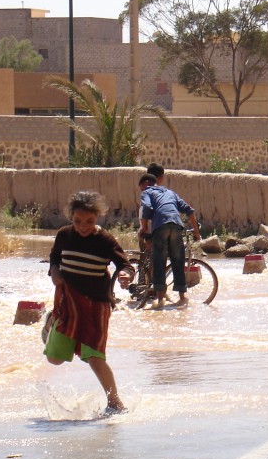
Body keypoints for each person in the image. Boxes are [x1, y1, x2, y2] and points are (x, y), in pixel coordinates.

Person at [45, 190, 134, 414]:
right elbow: (54, 256)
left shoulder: (105, 240)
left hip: (96, 306)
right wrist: (54, 271)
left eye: (89, 221)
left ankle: (115, 403)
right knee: (54, 359)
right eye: (77, 221)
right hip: (68, 303)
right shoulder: (64, 235)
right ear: (71, 218)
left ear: (97, 218)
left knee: (95, 357)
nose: (83, 226)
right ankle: (50, 323)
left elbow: (125, 264)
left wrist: (125, 275)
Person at [139, 163, 201, 310]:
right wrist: (196, 231)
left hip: (160, 226)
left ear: (146, 183)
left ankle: (160, 300)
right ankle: (182, 298)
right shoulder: (170, 192)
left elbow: (146, 207)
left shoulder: (147, 192)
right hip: (176, 225)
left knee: (159, 261)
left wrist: (144, 227)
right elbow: (189, 210)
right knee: (178, 261)